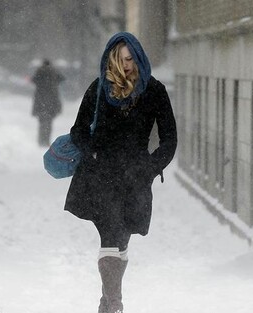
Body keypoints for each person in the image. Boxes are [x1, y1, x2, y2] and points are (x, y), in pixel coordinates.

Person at [64, 32, 177, 313]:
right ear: (111, 60)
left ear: (138, 57)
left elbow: (169, 138)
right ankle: (115, 305)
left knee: (122, 239)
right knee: (110, 235)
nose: (126, 65)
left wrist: (152, 167)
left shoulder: (154, 90)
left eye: (130, 59)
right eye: (120, 59)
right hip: (100, 175)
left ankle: (106, 301)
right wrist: (92, 152)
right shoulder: (99, 89)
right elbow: (78, 130)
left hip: (135, 177)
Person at [31, 59, 65, 146]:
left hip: (40, 99)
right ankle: (46, 140)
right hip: (52, 99)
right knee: (49, 122)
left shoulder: (40, 71)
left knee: (42, 121)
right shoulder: (54, 72)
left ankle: (41, 140)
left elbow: (33, 80)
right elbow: (62, 78)